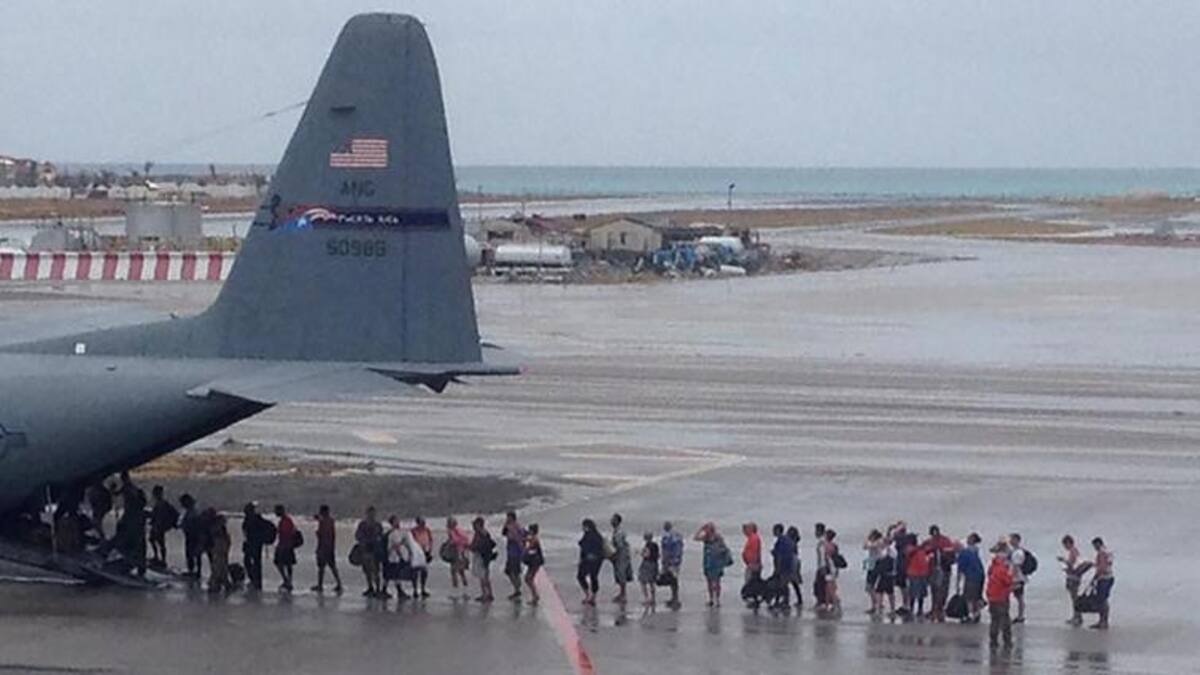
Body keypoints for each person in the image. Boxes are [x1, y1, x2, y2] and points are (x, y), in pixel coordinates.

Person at [924, 525, 959, 622]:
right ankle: (935, 609)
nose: (934, 535)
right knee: (936, 589)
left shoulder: (945, 541)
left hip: (943, 569)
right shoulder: (930, 542)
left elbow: (952, 555)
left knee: (941, 590)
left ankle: (938, 608)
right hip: (935, 569)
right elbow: (923, 552)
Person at [695, 522, 732, 608]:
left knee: (717, 582)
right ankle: (711, 599)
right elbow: (695, 538)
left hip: (716, 562)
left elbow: (725, 549)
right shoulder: (706, 538)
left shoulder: (718, 538)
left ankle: (717, 600)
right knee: (709, 581)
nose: (707, 530)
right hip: (708, 561)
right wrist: (701, 529)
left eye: (708, 529)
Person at [986, 541, 1015, 650]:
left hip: (992, 596)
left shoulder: (992, 567)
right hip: (1001, 597)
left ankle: (993, 641)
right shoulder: (1002, 569)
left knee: (994, 620)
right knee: (1005, 620)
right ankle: (1007, 641)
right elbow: (1007, 581)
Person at [241, 502, 274, 592]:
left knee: (254, 562)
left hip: (255, 543)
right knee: (252, 562)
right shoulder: (253, 519)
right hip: (254, 543)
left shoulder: (255, 519)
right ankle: (255, 580)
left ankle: (256, 581)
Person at [955, 533, 986, 624]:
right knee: (976, 596)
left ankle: (971, 615)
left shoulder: (964, 553)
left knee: (969, 597)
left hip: (971, 576)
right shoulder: (975, 550)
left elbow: (960, 570)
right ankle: (977, 613)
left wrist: (957, 584)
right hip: (980, 574)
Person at [312, 504, 342, 594]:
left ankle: (321, 585)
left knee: (323, 567)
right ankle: (338, 583)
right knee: (331, 566)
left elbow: (322, 534)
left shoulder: (324, 522)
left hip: (324, 547)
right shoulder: (330, 521)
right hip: (329, 547)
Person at [356, 506, 385, 598]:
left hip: (375, 551)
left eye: (373, 513)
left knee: (375, 571)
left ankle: (377, 589)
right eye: (370, 513)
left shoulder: (377, 525)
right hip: (366, 551)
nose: (371, 515)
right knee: (367, 571)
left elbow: (381, 537)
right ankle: (371, 588)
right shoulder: (363, 525)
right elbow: (358, 536)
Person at [147, 485, 178, 568]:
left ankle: (162, 559)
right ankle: (157, 557)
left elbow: (160, 515)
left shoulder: (162, 503)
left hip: (159, 527)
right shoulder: (160, 503)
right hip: (157, 526)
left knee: (160, 543)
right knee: (153, 540)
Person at [577, 518, 605, 606]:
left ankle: (588, 594)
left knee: (581, 576)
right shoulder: (598, 536)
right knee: (594, 577)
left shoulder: (588, 536)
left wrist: (581, 559)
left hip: (589, 560)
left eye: (584, 526)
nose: (583, 528)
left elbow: (583, 549)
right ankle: (593, 596)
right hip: (597, 560)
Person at [1089, 537, 1115, 630]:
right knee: (1104, 600)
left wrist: (1095, 577)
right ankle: (1103, 621)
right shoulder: (1108, 551)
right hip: (1110, 577)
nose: (1094, 548)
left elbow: (1102, 567)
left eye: (1094, 546)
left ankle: (1103, 621)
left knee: (1102, 600)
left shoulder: (1101, 553)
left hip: (1104, 578)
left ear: (1098, 544)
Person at [1058, 534, 1083, 626]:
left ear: (1069, 543)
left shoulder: (1073, 551)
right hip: (1074, 576)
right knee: (1074, 597)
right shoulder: (1074, 551)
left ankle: (1077, 616)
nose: (1065, 547)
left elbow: (1071, 564)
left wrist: (1063, 560)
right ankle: (1077, 616)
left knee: (1074, 598)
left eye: (1065, 545)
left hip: (1073, 577)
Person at [469, 516, 496, 603]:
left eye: (475, 524)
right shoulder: (484, 533)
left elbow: (477, 545)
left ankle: (485, 594)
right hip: (486, 556)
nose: (473, 526)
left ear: (478, 525)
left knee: (482, 576)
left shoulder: (480, 533)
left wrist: (470, 547)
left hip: (482, 556)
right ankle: (489, 594)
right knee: (485, 576)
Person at [771, 524, 798, 609]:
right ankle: (781, 601)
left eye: (774, 530)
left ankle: (784, 602)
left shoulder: (781, 540)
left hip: (783, 566)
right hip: (788, 566)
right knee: (782, 584)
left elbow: (780, 555)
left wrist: (778, 568)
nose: (772, 532)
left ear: (778, 531)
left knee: (781, 585)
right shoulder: (787, 540)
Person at [384, 515, 411, 600]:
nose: (398, 522)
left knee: (390, 575)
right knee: (395, 574)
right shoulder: (394, 533)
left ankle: (384, 590)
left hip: (392, 557)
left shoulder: (396, 532)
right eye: (396, 521)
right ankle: (399, 591)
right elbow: (396, 546)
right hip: (393, 557)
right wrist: (401, 556)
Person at [273, 504, 298, 592]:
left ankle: (287, 581)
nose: (275, 512)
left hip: (285, 546)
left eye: (276, 511)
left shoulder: (286, 520)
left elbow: (287, 533)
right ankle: (287, 580)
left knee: (282, 564)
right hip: (286, 545)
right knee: (287, 564)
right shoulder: (285, 520)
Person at [501, 511, 526, 601]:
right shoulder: (509, 526)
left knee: (512, 571)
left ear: (512, 517)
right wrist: (505, 525)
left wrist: (522, 550)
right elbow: (503, 533)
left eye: (508, 517)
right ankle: (517, 588)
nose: (507, 519)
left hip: (515, 553)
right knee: (511, 571)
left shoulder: (515, 527)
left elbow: (516, 538)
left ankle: (517, 589)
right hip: (511, 552)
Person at [905, 535, 931, 619]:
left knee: (922, 593)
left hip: (923, 573)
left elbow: (929, 550)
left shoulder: (921, 549)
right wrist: (922, 546)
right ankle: (911, 609)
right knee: (913, 593)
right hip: (913, 573)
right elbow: (910, 553)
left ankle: (920, 609)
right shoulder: (909, 548)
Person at [863, 529, 888, 615]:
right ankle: (877, 604)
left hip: (875, 566)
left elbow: (866, 546)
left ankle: (875, 604)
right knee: (871, 587)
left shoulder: (878, 542)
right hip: (874, 565)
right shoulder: (880, 542)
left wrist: (868, 539)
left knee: (870, 586)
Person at [610, 513, 633, 603]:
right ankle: (622, 594)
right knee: (621, 574)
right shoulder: (617, 531)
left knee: (621, 574)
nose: (611, 521)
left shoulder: (618, 532)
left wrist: (612, 554)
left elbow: (619, 545)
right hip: (623, 554)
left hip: (621, 555)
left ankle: (623, 595)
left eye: (613, 519)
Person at [179, 493, 203, 579]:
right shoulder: (191, 511)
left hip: (193, 535)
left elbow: (194, 524)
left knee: (193, 553)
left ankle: (195, 571)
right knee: (193, 554)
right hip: (191, 535)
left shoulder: (193, 512)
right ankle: (194, 570)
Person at [207, 511, 232, 595]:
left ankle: (219, 583)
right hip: (219, 550)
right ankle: (216, 584)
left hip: (221, 551)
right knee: (219, 567)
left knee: (220, 567)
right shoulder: (217, 530)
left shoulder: (218, 529)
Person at [660, 521, 683, 609]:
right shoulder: (673, 536)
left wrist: (673, 560)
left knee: (673, 579)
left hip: (672, 561)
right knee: (672, 579)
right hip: (672, 560)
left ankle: (675, 598)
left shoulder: (670, 537)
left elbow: (673, 549)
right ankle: (674, 597)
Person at [1007, 533, 1029, 624]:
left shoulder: (1018, 553)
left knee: (1019, 597)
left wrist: (1011, 578)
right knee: (1018, 596)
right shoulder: (1015, 551)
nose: (1010, 541)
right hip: (1019, 578)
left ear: (1016, 540)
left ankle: (1021, 616)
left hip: (1017, 578)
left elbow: (1016, 566)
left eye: (1011, 539)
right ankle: (1020, 615)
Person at [446, 516, 471, 594]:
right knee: (461, 571)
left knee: (453, 571)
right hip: (463, 552)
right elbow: (466, 540)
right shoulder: (460, 530)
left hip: (456, 552)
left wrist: (449, 544)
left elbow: (455, 540)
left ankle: (456, 588)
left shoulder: (452, 531)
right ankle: (465, 586)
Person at [410, 516, 434, 598]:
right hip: (416, 552)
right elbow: (411, 541)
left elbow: (431, 540)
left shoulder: (427, 530)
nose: (423, 524)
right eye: (421, 522)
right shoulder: (413, 531)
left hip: (425, 552)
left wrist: (430, 550)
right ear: (418, 523)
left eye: (424, 522)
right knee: (415, 572)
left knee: (424, 572)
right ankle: (415, 590)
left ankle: (423, 589)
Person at [820, 528, 842, 613]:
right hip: (834, 567)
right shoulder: (834, 545)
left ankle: (833, 603)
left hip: (829, 567)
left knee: (829, 586)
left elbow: (824, 557)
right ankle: (829, 603)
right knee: (830, 585)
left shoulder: (825, 545)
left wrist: (823, 568)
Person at [741, 522, 763, 608]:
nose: (745, 531)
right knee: (752, 582)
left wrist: (753, 564)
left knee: (751, 583)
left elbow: (754, 553)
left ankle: (753, 599)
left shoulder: (753, 538)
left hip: (753, 565)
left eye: (747, 529)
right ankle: (753, 599)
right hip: (752, 564)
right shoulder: (751, 538)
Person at [523, 523, 544, 605]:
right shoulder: (533, 538)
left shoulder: (534, 539)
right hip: (534, 562)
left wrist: (525, 549)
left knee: (528, 578)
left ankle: (535, 596)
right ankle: (535, 595)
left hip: (534, 562)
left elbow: (530, 547)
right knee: (528, 579)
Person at [638, 531, 660, 607]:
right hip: (654, 564)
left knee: (643, 581)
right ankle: (653, 598)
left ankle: (646, 598)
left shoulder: (647, 545)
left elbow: (647, 555)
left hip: (647, 564)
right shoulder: (656, 545)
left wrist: (640, 553)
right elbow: (658, 555)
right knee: (652, 582)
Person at [786, 526, 803, 608]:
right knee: (794, 583)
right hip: (796, 562)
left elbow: (790, 554)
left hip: (792, 562)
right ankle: (799, 599)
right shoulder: (794, 542)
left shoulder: (791, 543)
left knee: (786, 582)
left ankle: (786, 599)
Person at [813, 522, 827, 608]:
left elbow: (822, 555)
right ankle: (822, 601)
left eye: (816, 531)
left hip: (822, 567)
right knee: (820, 585)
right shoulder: (823, 541)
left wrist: (822, 567)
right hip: (822, 566)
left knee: (819, 585)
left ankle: (821, 602)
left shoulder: (822, 542)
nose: (815, 533)